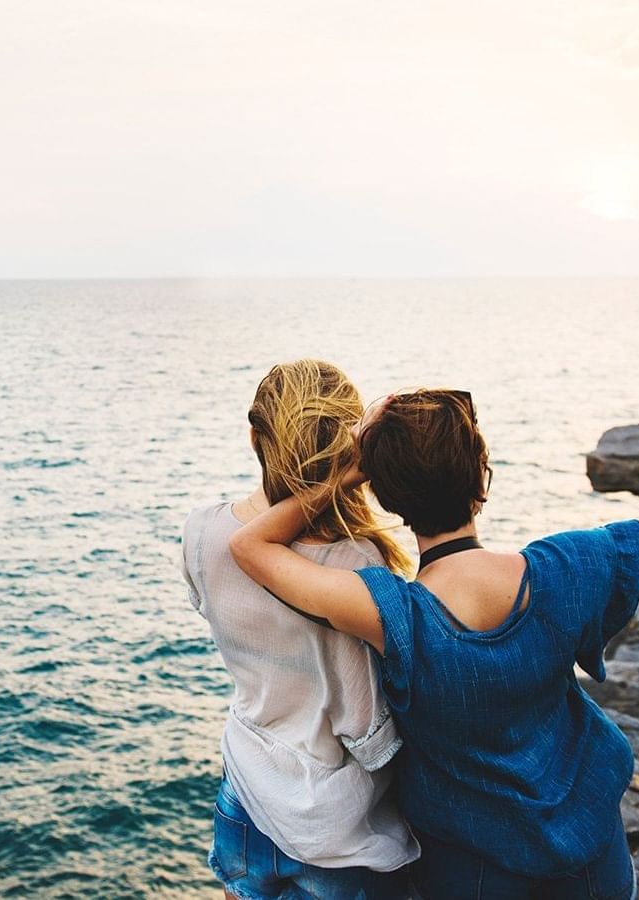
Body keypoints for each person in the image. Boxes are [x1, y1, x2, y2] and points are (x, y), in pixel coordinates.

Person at [228, 329, 639, 899]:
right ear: (481, 475)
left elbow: (251, 547)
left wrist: (348, 475)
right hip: (590, 856)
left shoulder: (392, 614)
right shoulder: (564, 571)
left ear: (389, 497)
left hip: (470, 874)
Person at [181, 359, 420, 900]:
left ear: (255, 437)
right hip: (334, 827)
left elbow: (209, 601)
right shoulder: (354, 563)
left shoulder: (202, 532)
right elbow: (367, 728)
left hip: (243, 788)